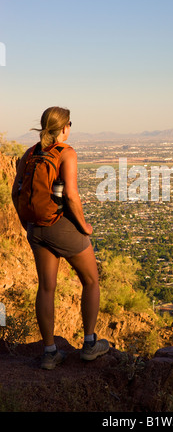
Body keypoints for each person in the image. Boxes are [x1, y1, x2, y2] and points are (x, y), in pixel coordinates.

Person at [12, 106, 109, 369]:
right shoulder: (66, 153)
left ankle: (50, 352)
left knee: (46, 288)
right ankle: (89, 344)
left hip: (36, 228)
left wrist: (27, 224)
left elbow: (15, 192)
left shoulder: (30, 153)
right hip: (60, 226)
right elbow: (71, 196)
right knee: (90, 279)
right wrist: (84, 226)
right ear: (65, 127)